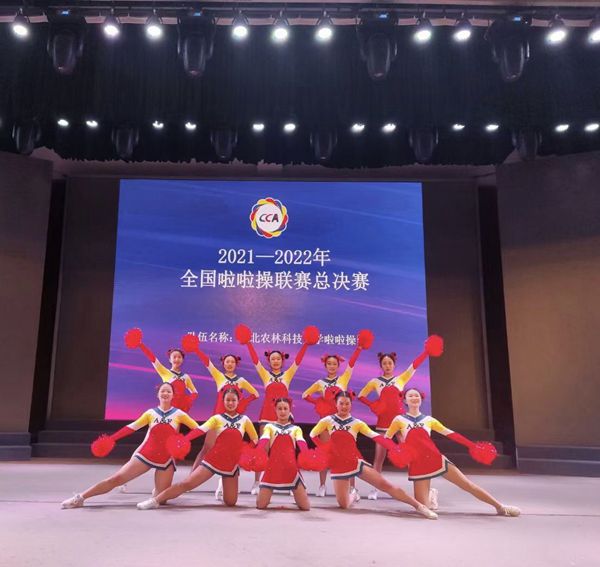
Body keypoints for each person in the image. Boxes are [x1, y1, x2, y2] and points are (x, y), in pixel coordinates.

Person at [385, 388, 520, 517]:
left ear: (421, 399)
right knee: (423, 508)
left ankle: (500, 507)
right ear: (405, 400)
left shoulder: (429, 420)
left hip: (435, 458)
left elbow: (451, 434)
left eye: (417, 395)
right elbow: (386, 438)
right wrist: (397, 450)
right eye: (410, 396)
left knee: (467, 485)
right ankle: (431, 494)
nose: (414, 398)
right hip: (417, 464)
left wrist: (472, 445)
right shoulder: (399, 420)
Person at [61, 382, 199, 509]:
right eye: (163, 391)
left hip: (166, 459)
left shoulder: (179, 414)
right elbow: (131, 428)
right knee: (116, 479)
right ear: (157, 395)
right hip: (146, 455)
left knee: (162, 499)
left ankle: (157, 492)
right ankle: (80, 498)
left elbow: (198, 429)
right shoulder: (150, 413)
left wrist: (182, 440)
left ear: (173, 395)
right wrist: (111, 439)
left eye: (169, 391)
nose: (165, 393)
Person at [309, 391, 438, 519]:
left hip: (355, 462)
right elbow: (313, 434)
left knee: (386, 486)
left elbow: (376, 437)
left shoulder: (357, 423)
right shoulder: (327, 421)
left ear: (351, 404)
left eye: (347, 403)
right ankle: (353, 494)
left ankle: (420, 506)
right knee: (344, 505)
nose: (344, 406)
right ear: (336, 404)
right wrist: (324, 449)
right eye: (341, 403)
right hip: (338, 466)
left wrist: (395, 448)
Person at [137, 386, 259, 510]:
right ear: (223, 401)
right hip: (213, 461)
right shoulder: (217, 419)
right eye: (228, 400)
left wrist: (248, 452)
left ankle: (223, 485)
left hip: (231, 465)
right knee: (186, 484)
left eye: (233, 400)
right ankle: (154, 500)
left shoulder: (245, 420)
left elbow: (255, 440)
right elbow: (200, 430)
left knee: (231, 502)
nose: (231, 403)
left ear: (238, 401)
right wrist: (184, 439)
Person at [235, 323, 319, 494]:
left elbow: (297, 362)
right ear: (269, 361)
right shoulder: (265, 375)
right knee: (262, 449)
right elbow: (255, 361)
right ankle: (258, 482)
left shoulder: (287, 375)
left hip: (285, 418)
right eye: (272, 359)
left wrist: (306, 344)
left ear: (282, 361)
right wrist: (248, 343)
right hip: (266, 415)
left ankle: (294, 482)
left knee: (288, 451)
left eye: (278, 359)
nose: (275, 361)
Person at [358, 335, 444, 500]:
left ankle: (423, 488)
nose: (387, 365)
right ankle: (375, 488)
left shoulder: (401, 379)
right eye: (384, 363)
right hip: (383, 423)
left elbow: (414, 366)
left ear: (394, 365)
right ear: (381, 365)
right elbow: (361, 395)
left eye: (390, 363)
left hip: (400, 423)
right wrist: (373, 405)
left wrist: (426, 352)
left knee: (411, 455)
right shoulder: (375, 382)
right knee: (379, 457)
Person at [181, 333, 259, 501]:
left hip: (233, 421)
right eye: (227, 361)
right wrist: (196, 349)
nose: (229, 364)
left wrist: (242, 404)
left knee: (231, 452)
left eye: (232, 362)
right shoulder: (219, 376)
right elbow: (207, 363)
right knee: (206, 449)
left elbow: (255, 394)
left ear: (236, 364)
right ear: (223, 363)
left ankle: (223, 485)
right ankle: (190, 479)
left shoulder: (241, 380)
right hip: (217, 419)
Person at [303, 329, 373, 497]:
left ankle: (352, 488)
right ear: (325, 365)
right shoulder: (320, 383)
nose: (332, 366)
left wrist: (358, 349)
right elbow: (305, 395)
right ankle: (322, 485)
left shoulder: (343, 379)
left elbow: (351, 365)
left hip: (344, 422)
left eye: (334, 364)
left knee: (349, 454)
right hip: (327, 422)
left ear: (338, 366)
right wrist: (319, 403)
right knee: (325, 452)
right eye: (329, 364)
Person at [124, 327, 198, 413]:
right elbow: (153, 359)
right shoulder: (165, 372)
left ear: (182, 360)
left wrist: (187, 401)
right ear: (170, 360)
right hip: (168, 409)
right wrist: (141, 345)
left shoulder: (186, 377)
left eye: (179, 357)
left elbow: (195, 392)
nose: (177, 359)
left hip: (181, 411)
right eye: (174, 357)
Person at [256, 398, 311, 511]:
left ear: (290, 410)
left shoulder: (296, 429)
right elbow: (264, 438)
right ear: (275, 410)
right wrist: (257, 451)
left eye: (285, 408)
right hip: (272, 469)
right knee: (261, 505)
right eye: (279, 409)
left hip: (291, 469)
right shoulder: (269, 427)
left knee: (306, 507)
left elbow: (301, 441)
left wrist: (306, 454)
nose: (282, 411)